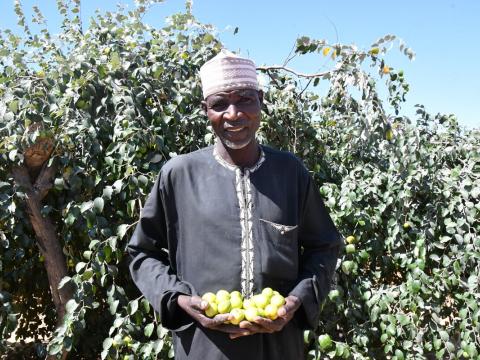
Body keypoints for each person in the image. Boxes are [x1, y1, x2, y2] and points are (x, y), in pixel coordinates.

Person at [127, 49, 342, 359]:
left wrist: (296, 300)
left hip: (279, 347)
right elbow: (142, 252)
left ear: (261, 100)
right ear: (206, 110)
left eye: (244, 99)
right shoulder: (178, 175)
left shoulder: (290, 172)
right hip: (204, 347)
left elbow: (324, 246)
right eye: (219, 104)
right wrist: (179, 299)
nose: (233, 114)